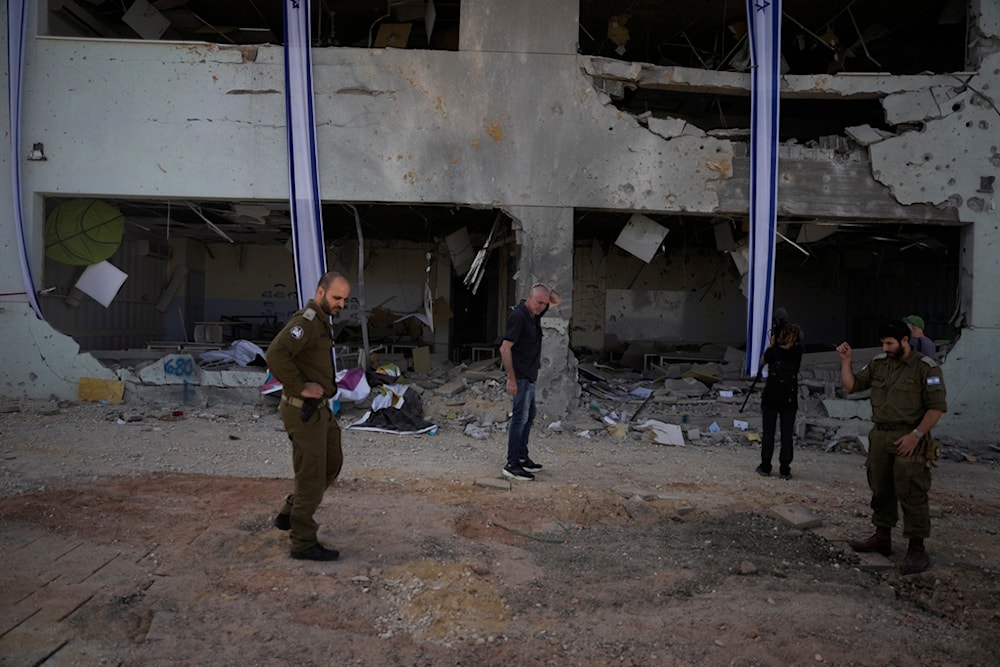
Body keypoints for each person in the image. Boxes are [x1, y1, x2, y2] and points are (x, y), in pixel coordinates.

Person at [836, 319, 947, 575]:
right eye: (883, 343)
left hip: (909, 438)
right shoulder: (879, 364)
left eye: (890, 343)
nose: (885, 348)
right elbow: (851, 386)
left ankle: (917, 549)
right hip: (881, 437)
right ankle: (882, 536)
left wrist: (916, 435)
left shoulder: (925, 368)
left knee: (912, 492)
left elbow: (936, 407)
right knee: (880, 487)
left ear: (905, 341)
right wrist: (846, 361)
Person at [266, 271, 351, 561]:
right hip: (303, 411)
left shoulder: (322, 322)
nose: (340, 304)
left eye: (344, 299)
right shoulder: (307, 322)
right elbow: (276, 354)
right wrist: (300, 387)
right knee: (311, 476)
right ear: (320, 292)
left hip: (320, 412)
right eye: (336, 297)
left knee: (332, 463)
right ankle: (302, 542)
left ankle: (290, 512)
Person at [499, 282, 562, 481]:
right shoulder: (519, 316)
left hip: (530, 375)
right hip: (520, 376)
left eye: (544, 303)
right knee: (519, 418)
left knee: (529, 415)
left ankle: (522, 457)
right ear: (529, 297)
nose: (541, 306)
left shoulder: (534, 314)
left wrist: (544, 289)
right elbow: (504, 348)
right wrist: (511, 379)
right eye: (538, 302)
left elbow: (557, 300)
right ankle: (512, 464)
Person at [756, 321, 804, 480]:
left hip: (771, 397)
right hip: (789, 399)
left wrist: (771, 345)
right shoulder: (798, 352)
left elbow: (762, 363)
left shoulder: (772, 352)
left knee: (768, 432)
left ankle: (765, 466)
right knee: (787, 434)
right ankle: (785, 469)